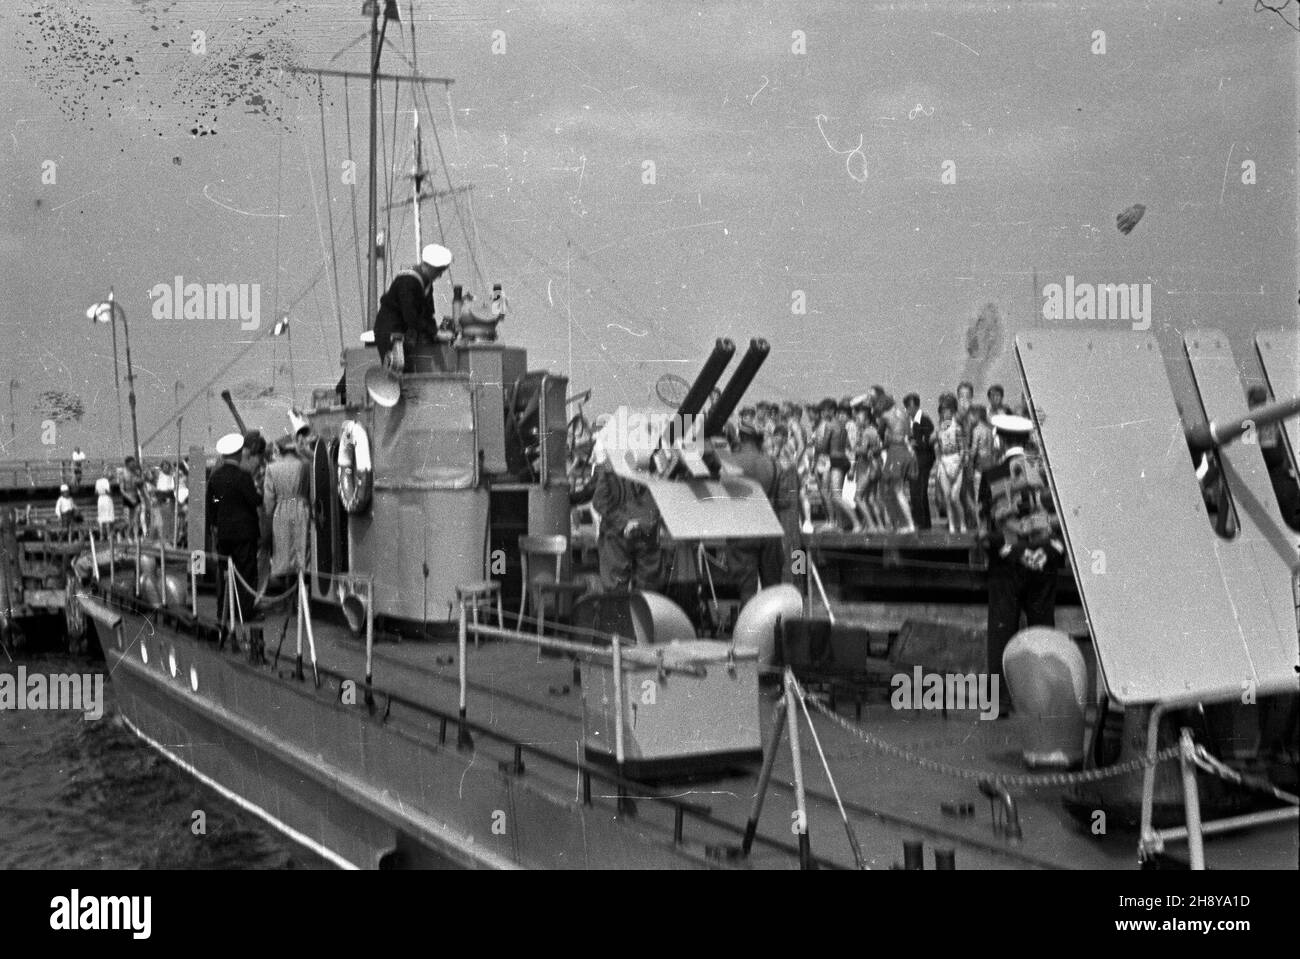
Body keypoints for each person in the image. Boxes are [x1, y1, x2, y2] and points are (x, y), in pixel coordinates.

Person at [978, 414, 1065, 714]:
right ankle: (1049, 700)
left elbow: (985, 523)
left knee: (1001, 632)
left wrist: (1009, 551)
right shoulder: (1046, 472)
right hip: (1044, 559)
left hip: (1008, 562)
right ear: (1027, 440)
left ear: (1001, 440)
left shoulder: (991, 475)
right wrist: (1048, 552)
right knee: (1044, 629)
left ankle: (998, 702)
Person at [207, 432, 264, 622]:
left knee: (224, 573)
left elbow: (212, 507)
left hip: (224, 534)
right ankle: (245, 612)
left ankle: (222, 610)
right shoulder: (243, 477)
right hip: (244, 533)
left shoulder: (215, 478)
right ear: (239, 454)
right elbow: (255, 500)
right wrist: (259, 491)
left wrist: (216, 526)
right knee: (246, 573)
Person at [373, 243, 453, 370]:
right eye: (438, 271)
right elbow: (410, 315)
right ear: (428, 266)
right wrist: (435, 333)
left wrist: (435, 333)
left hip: (404, 332)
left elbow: (428, 314)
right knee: (398, 368)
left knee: (412, 368)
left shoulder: (426, 284)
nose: (439, 275)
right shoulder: (408, 281)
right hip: (391, 331)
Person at [726, 423, 782, 601]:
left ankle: (749, 618)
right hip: (769, 527)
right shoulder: (772, 462)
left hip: (744, 528)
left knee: (747, 591)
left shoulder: (731, 461)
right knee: (772, 590)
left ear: (740, 438)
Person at [591, 462, 664, 592]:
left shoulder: (610, 467)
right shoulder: (610, 468)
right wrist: (627, 523)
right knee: (621, 586)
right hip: (623, 533)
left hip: (637, 532)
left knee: (645, 587)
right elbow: (600, 501)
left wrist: (635, 523)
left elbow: (600, 501)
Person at [264, 433, 312, 588]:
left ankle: (287, 592)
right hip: (301, 509)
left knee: (283, 554)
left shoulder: (272, 467)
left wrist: (268, 516)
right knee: (302, 551)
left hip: (281, 511)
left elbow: (268, 500)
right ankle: (302, 592)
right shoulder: (305, 465)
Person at [878, 396, 917, 532]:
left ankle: (908, 524)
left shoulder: (885, 416)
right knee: (896, 490)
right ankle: (902, 523)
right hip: (905, 451)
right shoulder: (904, 414)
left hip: (895, 452)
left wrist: (886, 440)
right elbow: (909, 435)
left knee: (897, 491)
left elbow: (880, 433)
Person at [934, 394, 967, 532]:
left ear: (952, 411)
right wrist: (939, 462)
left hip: (956, 461)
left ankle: (963, 523)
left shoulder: (957, 427)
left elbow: (963, 449)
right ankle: (952, 525)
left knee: (955, 497)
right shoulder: (940, 428)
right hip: (944, 461)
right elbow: (937, 447)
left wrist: (958, 466)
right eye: (942, 411)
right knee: (947, 496)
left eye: (947, 411)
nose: (944, 413)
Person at [904, 393, 935, 530]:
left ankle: (922, 523)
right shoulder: (910, 422)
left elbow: (929, 441)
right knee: (915, 491)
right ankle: (923, 522)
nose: (908, 410)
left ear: (916, 406)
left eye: (910, 407)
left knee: (919, 491)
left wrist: (916, 443)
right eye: (907, 407)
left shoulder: (925, 420)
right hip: (915, 462)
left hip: (923, 460)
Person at [117, 456, 142, 538]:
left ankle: (136, 535)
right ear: (127, 464)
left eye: (134, 463)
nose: (134, 465)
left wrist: (140, 480)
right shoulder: (122, 474)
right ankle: (124, 532)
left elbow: (139, 484)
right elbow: (122, 490)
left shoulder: (135, 472)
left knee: (137, 517)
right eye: (132, 463)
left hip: (135, 496)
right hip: (127, 497)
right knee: (128, 520)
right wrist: (130, 498)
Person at [94, 476, 115, 540]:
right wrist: (111, 493)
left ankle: (101, 535)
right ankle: (108, 535)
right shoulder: (106, 481)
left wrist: (100, 492)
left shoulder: (98, 481)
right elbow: (108, 491)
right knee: (108, 517)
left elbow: (95, 492)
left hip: (100, 499)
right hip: (106, 499)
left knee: (101, 517)